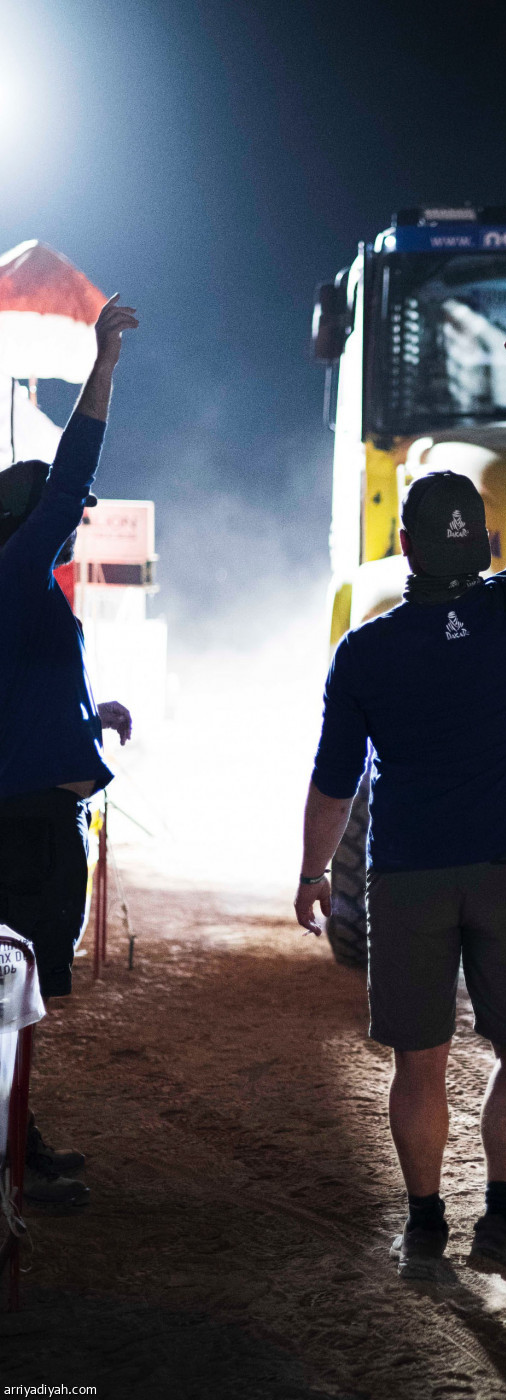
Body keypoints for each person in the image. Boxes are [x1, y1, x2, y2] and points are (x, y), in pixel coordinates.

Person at [295, 319, 506, 1285]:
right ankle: (503, 1219)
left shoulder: (364, 652)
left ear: (404, 544)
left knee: (420, 1062)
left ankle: (423, 1230)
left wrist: (312, 872)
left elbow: (335, 783)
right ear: (487, 542)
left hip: (407, 872)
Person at [0, 294, 140, 1208]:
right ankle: (9, 1159)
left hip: (40, 814)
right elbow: (69, 474)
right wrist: (104, 365)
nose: (76, 521)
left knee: (18, 1002)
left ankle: (19, 1142)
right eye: (62, 515)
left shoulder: (22, 590)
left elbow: (27, 698)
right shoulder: (13, 570)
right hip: (20, 828)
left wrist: (97, 721)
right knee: (10, 1004)